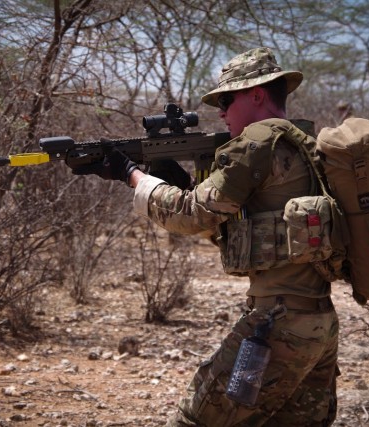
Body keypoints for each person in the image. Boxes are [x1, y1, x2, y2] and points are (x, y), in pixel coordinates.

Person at [73, 47, 339, 426]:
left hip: (276, 324)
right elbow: (244, 227)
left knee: (196, 420)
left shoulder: (257, 142)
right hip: (319, 324)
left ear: (257, 95)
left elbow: (191, 216)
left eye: (227, 101)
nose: (221, 112)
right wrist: (180, 182)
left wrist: (131, 174)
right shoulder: (303, 142)